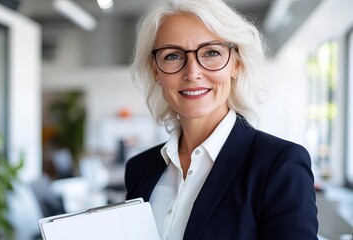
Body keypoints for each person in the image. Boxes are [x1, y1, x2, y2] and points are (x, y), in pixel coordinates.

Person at [124, 0, 319, 239]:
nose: (193, 72)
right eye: (173, 55)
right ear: (156, 71)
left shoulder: (279, 166)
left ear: (235, 64)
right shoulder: (139, 169)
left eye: (211, 52)